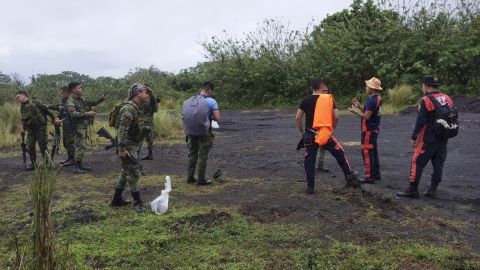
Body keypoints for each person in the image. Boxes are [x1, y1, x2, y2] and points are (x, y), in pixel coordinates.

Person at [296, 78, 362, 194]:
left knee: (309, 160)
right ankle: (350, 177)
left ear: (312, 88)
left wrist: (302, 132)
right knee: (339, 153)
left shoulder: (305, 100)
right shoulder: (328, 99)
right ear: (322, 87)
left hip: (309, 134)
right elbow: (336, 116)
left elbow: (298, 117)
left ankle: (310, 187)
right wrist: (331, 130)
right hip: (324, 134)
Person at [397, 76, 454, 199]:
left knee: (417, 162)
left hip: (428, 138)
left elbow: (420, 121)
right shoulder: (447, 98)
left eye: (422, 85)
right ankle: (432, 190)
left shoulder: (425, 100)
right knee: (438, 164)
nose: (422, 87)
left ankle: (412, 190)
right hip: (443, 137)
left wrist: (414, 136)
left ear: (427, 86)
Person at [110, 83, 151, 212]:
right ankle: (137, 202)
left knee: (125, 172)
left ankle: (116, 199)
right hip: (127, 145)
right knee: (133, 172)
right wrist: (122, 149)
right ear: (138, 94)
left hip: (132, 143)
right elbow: (122, 130)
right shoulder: (128, 109)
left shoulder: (136, 107)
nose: (147, 94)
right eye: (145, 92)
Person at [183, 81, 220, 186]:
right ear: (209, 90)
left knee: (192, 154)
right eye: (212, 91)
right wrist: (208, 117)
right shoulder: (211, 101)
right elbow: (217, 118)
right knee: (202, 156)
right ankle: (201, 179)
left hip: (190, 132)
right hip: (204, 132)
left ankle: (190, 177)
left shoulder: (189, 101)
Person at [348, 77, 383, 183]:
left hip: (368, 130)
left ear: (372, 88)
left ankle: (369, 176)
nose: (366, 87)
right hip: (374, 129)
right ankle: (376, 174)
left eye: (368, 86)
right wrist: (360, 106)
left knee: (367, 152)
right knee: (373, 152)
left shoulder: (372, 100)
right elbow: (369, 111)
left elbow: (367, 116)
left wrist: (355, 111)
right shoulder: (378, 98)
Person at [66, 82, 106, 173]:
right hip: (77, 127)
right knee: (80, 146)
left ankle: (79, 165)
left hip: (83, 126)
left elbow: (92, 102)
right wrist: (87, 114)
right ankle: (77, 167)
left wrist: (101, 99)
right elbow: (73, 114)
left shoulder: (81, 99)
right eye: (79, 88)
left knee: (82, 146)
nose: (81, 89)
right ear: (73, 90)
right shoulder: (71, 101)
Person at [16, 90, 55, 170]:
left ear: (24, 95)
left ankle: (47, 163)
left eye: (18, 97)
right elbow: (24, 119)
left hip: (40, 128)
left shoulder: (35, 102)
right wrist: (22, 128)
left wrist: (53, 120)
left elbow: (47, 111)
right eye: (16, 98)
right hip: (30, 130)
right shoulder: (22, 107)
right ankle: (33, 164)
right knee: (30, 146)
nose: (18, 99)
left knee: (42, 146)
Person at [48, 86, 75, 166]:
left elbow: (71, 116)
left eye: (62, 92)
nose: (61, 94)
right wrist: (46, 106)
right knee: (66, 142)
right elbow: (57, 107)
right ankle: (70, 158)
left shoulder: (71, 102)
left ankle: (73, 159)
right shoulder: (63, 101)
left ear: (67, 92)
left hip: (71, 126)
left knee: (70, 142)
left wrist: (61, 121)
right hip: (66, 126)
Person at [138, 84, 159, 160]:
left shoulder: (151, 98)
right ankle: (136, 154)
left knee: (150, 139)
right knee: (138, 138)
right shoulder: (139, 97)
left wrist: (152, 95)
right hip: (139, 121)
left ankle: (150, 154)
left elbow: (155, 109)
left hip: (148, 121)